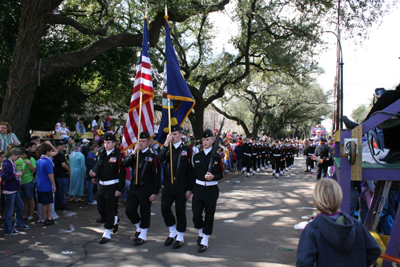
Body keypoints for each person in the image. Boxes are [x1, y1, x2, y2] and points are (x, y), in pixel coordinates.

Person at [296, 179, 381, 267]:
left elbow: (303, 262)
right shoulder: (355, 224)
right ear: (340, 197)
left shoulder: (312, 229)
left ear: (315, 200)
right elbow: (374, 250)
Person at [158, 125, 194, 249]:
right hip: (168, 184)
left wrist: (190, 188)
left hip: (181, 185)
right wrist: (166, 144)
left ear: (180, 135)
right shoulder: (168, 148)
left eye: (175, 134)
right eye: (171, 134)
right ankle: (172, 231)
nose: (172, 136)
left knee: (180, 211)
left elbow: (190, 170)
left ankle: (180, 235)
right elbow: (160, 159)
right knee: (164, 208)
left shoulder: (186, 149)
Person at [123, 132, 160, 246]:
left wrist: (155, 192)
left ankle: (143, 234)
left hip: (146, 188)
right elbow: (125, 164)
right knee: (129, 210)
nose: (141, 143)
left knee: (145, 211)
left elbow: (157, 176)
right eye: (140, 141)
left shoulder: (153, 157)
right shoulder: (135, 154)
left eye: (144, 141)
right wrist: (134, 151)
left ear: (149, 142)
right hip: (134, 187)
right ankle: (138, 226)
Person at [190, 129, 223, 253]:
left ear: (213, 140)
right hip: (198, 188)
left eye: (207, 139)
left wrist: (213, 177)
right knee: (196, 215)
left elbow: (221, 174)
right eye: (203, 140)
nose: (205, 142)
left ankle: (205, 240)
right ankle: (200, 232)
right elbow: (192, 176)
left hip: (211, 189)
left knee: (209, 216)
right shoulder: (196, 156)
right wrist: (191, 191)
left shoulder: (217, 157)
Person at [90, 133, 126, 244]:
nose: (106, 144)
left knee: (110, 209)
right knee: (101, 208)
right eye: (105, 142)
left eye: (109, 142)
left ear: (114, 143)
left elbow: (122, 173)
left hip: (112, 185)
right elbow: (98, 166)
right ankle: (114, 220)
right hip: (101, 185)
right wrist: (94, 176)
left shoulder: (119, 155)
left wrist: (119, 188)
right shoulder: (100, 153)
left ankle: (107, 233)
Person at [1, 148, 30, 235]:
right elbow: (3, 177)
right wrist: (15, 175)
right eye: (17, 157)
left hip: (15, 188)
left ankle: (19, 223)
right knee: (9, 210)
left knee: (20, 205)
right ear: (12, 154)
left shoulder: (11, 163)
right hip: (9, 189)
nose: (18, 159)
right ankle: (8, 229)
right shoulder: (7, 164)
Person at [36, 143, 57, 226]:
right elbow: (50, 175)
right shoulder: (47, 162)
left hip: (40, 184)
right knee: (45, 203)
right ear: (47, 152)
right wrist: (54, 185)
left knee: (48, 202)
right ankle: (43, 219)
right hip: (46, 185)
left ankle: (49, 217)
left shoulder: (39, 161)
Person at [20, 147, 36, 222]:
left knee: (30, 199)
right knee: (24, 200)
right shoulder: (18, 160)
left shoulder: (31, 159)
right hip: (21, 182)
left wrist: (29, 163)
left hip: (28, 181)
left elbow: (34, 170)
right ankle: (25, 214)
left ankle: (31, 215)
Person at [53, 140, 70, 210]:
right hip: (60, 175)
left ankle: (58, 203)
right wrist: (69, 170)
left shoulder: (54, 154)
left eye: (64, 145)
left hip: (57, 175)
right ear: (57, 146)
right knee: (61, 191)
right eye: (61, 145)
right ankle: (61, 204)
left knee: (59, 191)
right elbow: (63, 165)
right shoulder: (59, 155)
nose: (63, 147)